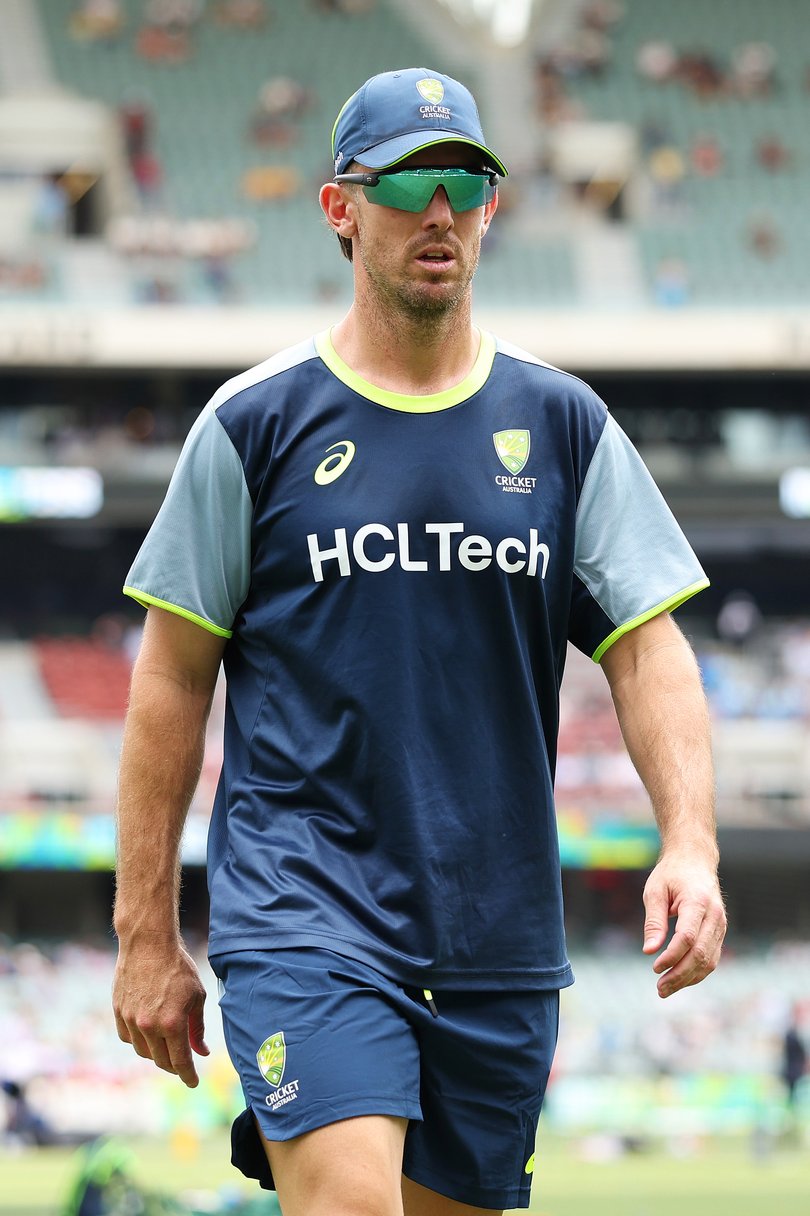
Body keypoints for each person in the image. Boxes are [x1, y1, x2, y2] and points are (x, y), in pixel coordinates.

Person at [112, 67, 727, 1216]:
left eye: (464, 182)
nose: (439, 210)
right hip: (308, 911)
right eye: (406, 184)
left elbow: (649, 648)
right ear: (341, 207)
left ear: (492, 205)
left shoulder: (564, 425)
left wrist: (691, 843)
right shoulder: (255, 424)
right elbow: (169, 682)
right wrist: (145, 932)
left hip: (497, 936)